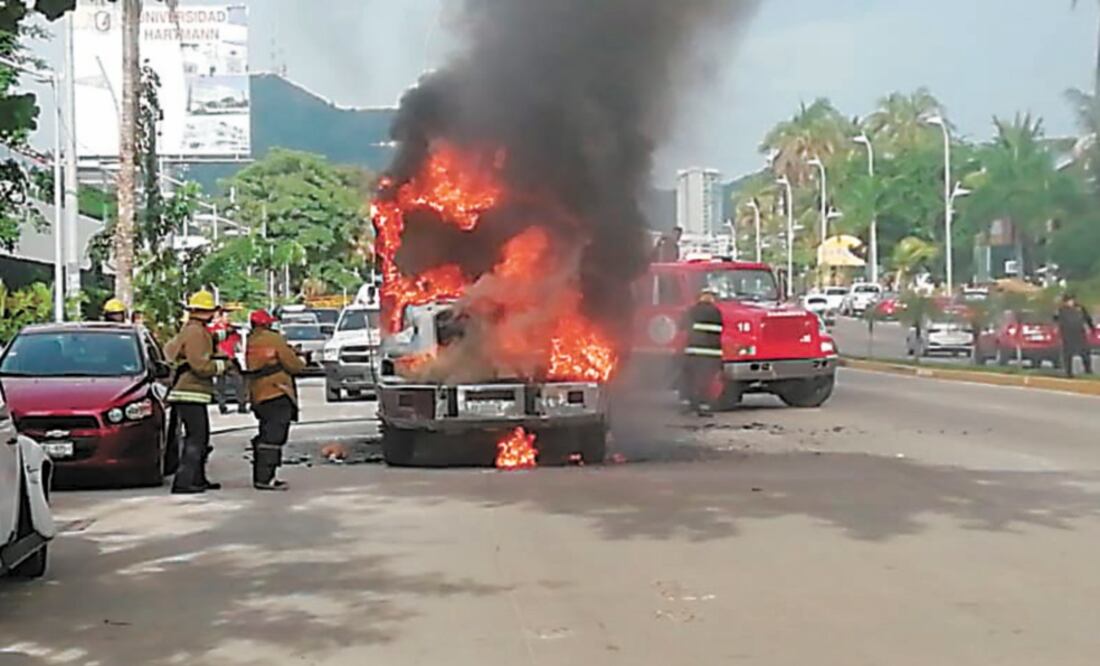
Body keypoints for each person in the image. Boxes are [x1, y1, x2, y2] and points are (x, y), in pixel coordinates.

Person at [164, 290, 230, 494]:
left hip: (187, 391)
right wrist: (222, 366)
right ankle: (184, 482)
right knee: (196, 439)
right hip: (190, 391)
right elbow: (200, 364)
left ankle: (198, 479)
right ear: (207, 312)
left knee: (200, 438)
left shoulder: (193, 329)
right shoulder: (196, 333)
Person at [245, 309, 307, 491]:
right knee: (274, 436)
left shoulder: (251, 340)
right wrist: (300, 359)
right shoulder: (273, 338)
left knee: (266, 433)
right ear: (267, 324)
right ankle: (265, 478)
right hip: (277, 392)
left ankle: (262, 475)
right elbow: (293, 365)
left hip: (258, 394)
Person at [681, 289, 724, 416]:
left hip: (694, 351)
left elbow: (683, 327)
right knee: (706, 380)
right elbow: (719, 330)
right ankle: (704, 405)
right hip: (712, 353)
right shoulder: (716, 312)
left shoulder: (692, 311)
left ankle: (692, 405)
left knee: (692, 379)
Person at [210, 309, 248, 415]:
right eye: (226, 316)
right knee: (220, 383)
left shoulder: (232, 330)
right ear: (221, 317)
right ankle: (222, 405)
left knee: (239, 381)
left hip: (231, 358)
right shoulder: (214, 329)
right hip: (219, 358)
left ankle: (242, 404)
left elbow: (237, 343)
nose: (228, 319)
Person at [1055, 294, 1095, 378]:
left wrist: (1092, 328)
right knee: (1068, 355)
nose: (1070, 302)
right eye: (1068, 301)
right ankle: (1068, 372)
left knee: (1085, 352)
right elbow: (1055, 319)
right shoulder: (1061, 310)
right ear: (1065, 302)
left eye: (1072, 300)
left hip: (1079, 333)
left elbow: (1087, 318)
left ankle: (1088, 370)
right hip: (1067, 335)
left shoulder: (1080, 308)